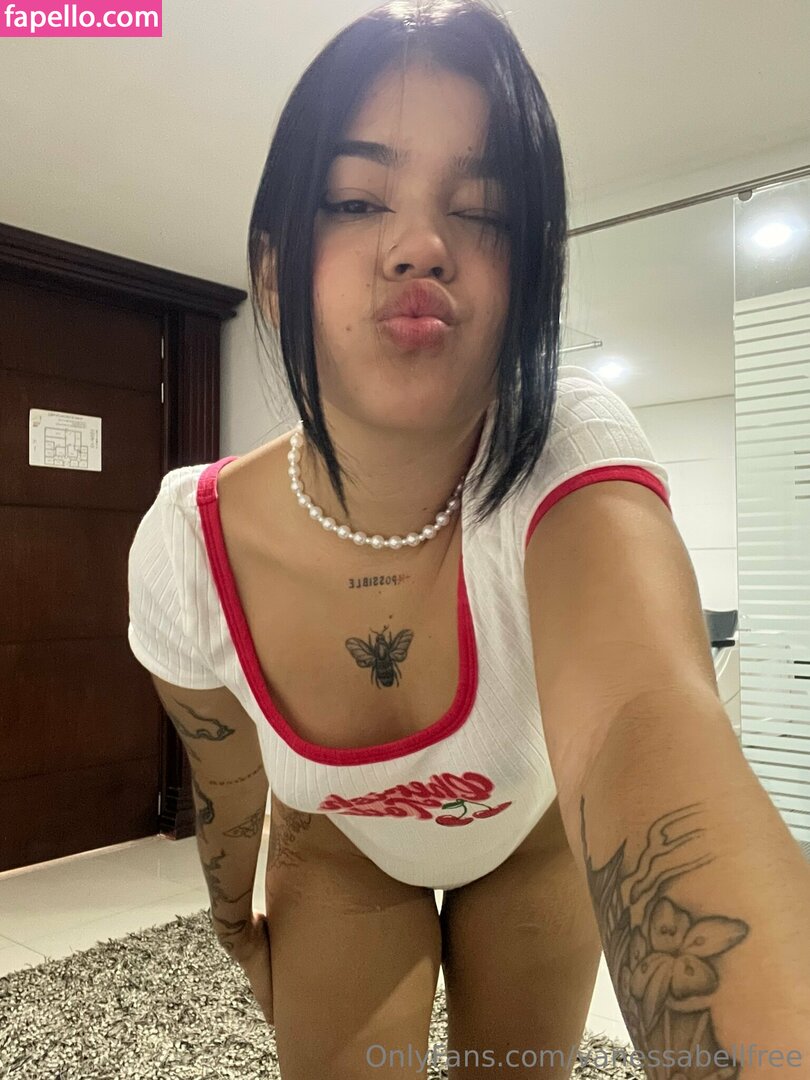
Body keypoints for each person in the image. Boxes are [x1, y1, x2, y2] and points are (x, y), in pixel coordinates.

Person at [127, 1, 810, 1077]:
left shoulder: (570, 454)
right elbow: (225, 780)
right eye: (356, 200)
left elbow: (649, 723)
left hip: (529, 849)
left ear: (530, 279)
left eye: (483, 211)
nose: (421, 247)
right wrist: (230, 918)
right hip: (340, 854)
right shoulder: (187, 546)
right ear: (272, 271)